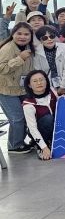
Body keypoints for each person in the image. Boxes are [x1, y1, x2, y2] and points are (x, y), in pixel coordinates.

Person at [0, 22, 35, 153]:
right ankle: (14, 146)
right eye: (19, 33)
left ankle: (20, 142)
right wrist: (19, 59)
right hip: (6, 90)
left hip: (22, 89)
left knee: (25, 117)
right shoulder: (7, 48)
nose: (22, 37)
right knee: (17, 118)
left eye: (26, 34)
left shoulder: (29, 47)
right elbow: (1, 68)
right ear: (13, 34)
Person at [22, 70, 58, 160]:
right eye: (35, 81)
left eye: (41, 80)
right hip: (38, 131)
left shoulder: (52, 91)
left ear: (46, 81)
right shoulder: (28, 104)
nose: (39, 83)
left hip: (55, 126)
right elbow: (33, 129)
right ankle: (40, 146)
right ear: (29, 85)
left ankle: (53, 141)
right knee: (48, 119)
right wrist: (44, 148)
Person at [32, 25, 65, 96]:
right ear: (40, 40)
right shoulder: (36, 52)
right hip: (46, 87)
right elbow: (38, 72)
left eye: (52, 36)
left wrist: (63, 87)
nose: (49, 39)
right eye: (45, 38)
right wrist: (47, 88)